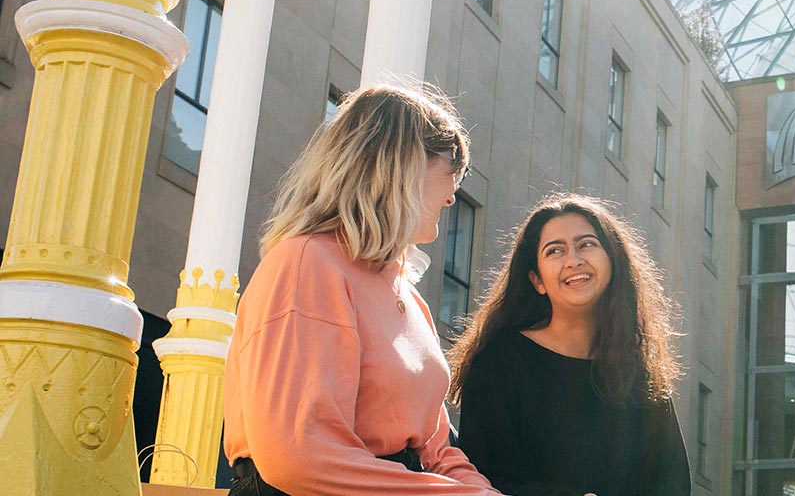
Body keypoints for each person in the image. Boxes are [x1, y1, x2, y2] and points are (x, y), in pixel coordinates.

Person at [222, 82, 500, 496]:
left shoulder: (409, 296)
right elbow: (299, 456)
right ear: (399, 165)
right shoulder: (306, 264)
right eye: (452, 170)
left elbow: (436, 448)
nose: (452, 197)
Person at [451, 194, 690, 496]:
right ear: (537, 280)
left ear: (613, 261)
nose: (574, 260)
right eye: (555, 251)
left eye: (586, 244)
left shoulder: (638, 368)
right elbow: (484, 474)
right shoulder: (499, 360)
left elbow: (672, 480)